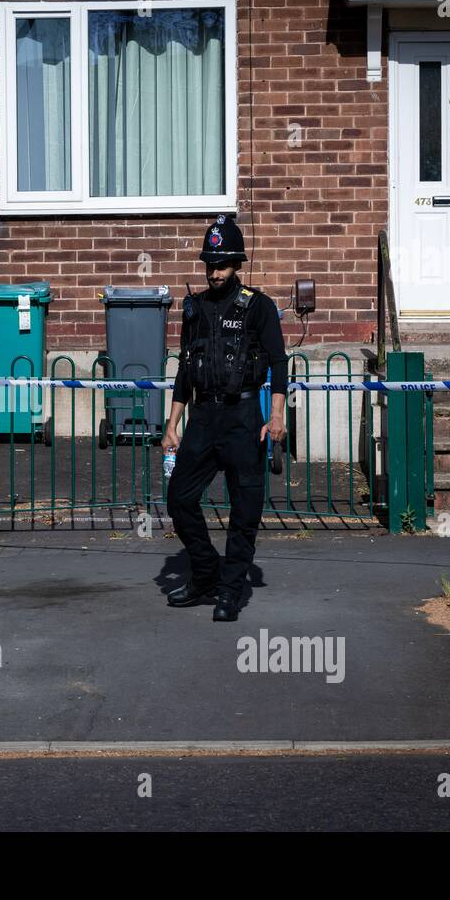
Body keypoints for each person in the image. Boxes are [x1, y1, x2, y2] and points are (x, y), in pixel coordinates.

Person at [162, 215, 287, 621]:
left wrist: (277, 415)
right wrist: (172, 424)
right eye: (209, 265)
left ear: (238, 264)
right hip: (202, 416)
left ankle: (231, 589)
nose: (214, 273)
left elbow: (279, 364)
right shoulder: (194, 307)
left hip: (243, 416)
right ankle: (205, 574)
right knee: (179, 499)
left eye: (222, 265)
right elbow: (184, 367)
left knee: (244, 507)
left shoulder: (259, 306)